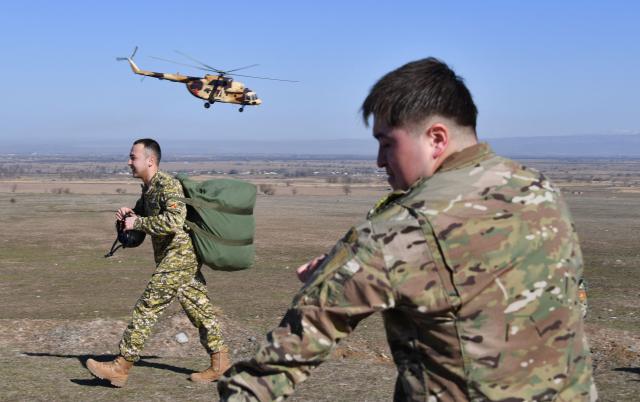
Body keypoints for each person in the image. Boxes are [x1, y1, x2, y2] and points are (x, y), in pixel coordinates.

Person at [218, 58, 596, 401]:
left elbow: (280, 363)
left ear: (436, 138)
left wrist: (349, 268)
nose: (380, 161)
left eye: (387, 143)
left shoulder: (402, 227)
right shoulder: (539, 189)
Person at [86, 138, 230, 387]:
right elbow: (139, 227)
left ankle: (121, 366)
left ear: (150, 161)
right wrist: (129, 215)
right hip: (172, 258)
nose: (128, 162)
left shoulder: (167, 185)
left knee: (147, 306)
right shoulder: (148, 189)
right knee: (200, 310)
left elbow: (174, 221)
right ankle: (221, 364)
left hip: (179, 256)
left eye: (133, 157)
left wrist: (138, 222)